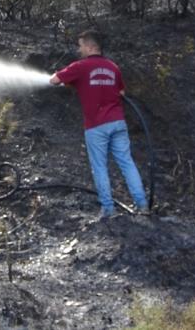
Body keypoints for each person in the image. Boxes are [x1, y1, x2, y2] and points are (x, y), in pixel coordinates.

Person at [50, 30, 148, 218]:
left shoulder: (80, 66)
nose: (79, 50)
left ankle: (108, 210)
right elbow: (121, 93)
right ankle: (142, 205)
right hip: (118, 122)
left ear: (90, 46)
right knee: (127, 163)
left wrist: (73, 82)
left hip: (96, 126)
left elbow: (54, 80)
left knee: (100, 167)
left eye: (80, 46)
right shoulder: (113, 67)